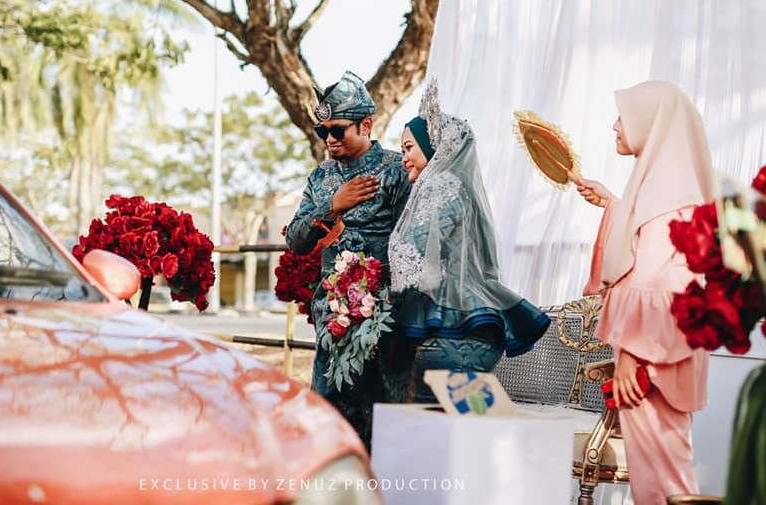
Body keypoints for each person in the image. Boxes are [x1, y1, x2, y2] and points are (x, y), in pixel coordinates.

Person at [575, 80, 713, 504]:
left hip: (651, 361)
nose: (615, 125)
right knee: (658, 477)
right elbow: (646, 254)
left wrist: (631, 357)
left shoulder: (669, 196)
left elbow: (661, 284)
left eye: (623, 116)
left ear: (650, 123)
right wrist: (612, 204)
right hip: (653, 357)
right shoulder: (667, 189)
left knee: (663, 482)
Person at [388, 79, 551, 402]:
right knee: (461, 419)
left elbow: (414, 252)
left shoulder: (442, 185)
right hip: (467, 328)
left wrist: (367, 282)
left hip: (456, 329)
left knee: (453, 419)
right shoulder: (453, 185)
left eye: (408, 148)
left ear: (433, 146)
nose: (403, 157)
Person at [285, 71, 413, 448]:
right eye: (322, 131)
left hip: (384, 317)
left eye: (337, 130)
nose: (329, 139)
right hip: (334, 318)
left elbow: (410, 244)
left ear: (366, 125)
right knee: (328, 416)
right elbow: (296, 240)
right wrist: (333, 205)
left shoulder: (395, 170)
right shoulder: (321, 177)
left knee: (384, 418)